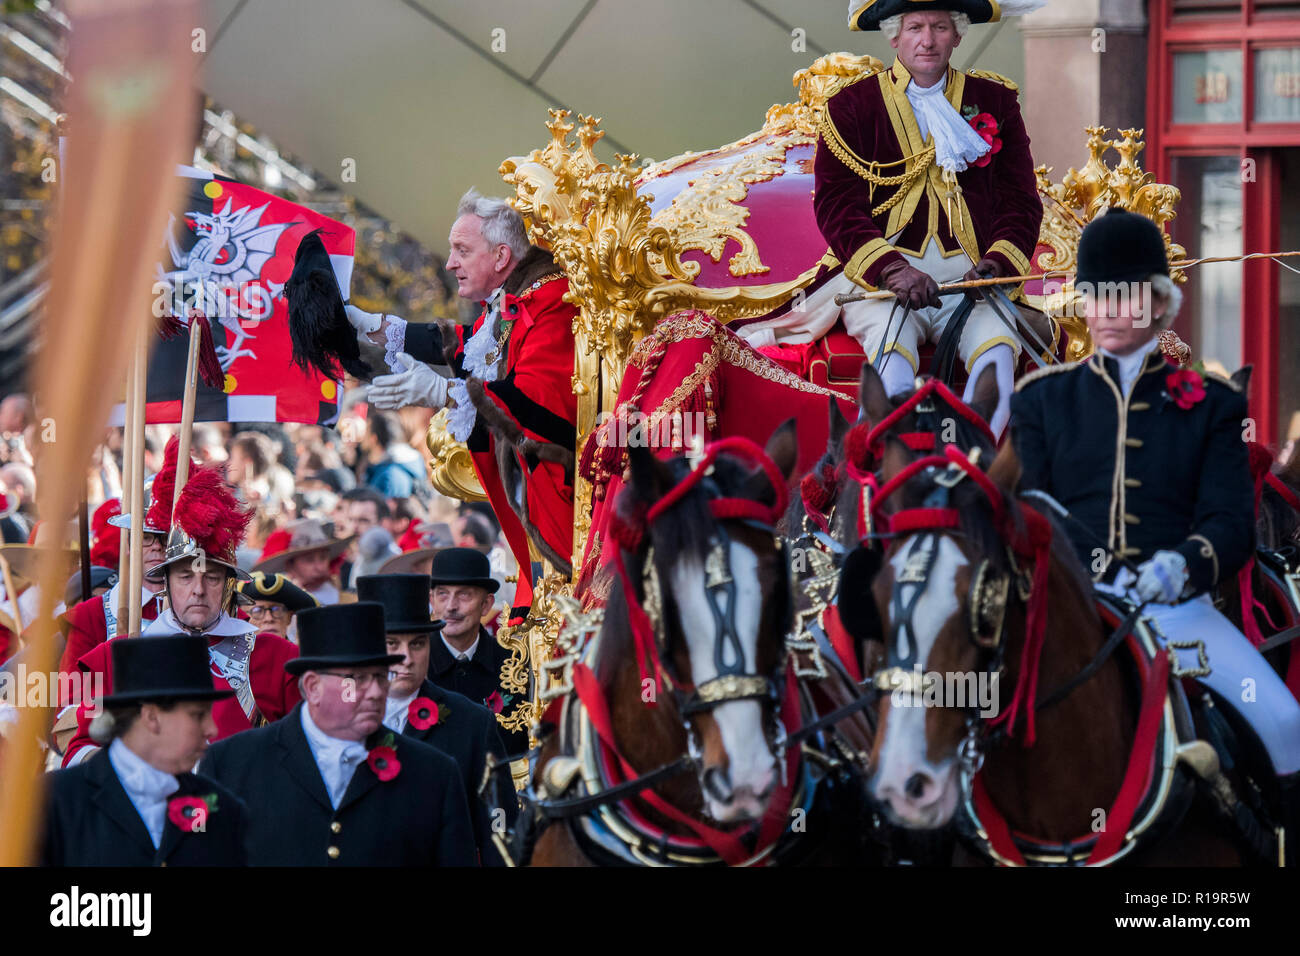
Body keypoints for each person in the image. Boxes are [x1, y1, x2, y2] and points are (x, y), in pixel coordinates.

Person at [1010, 206, 1300, 861]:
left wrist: (1181, 566)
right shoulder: (1040, 401)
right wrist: (1099, 566)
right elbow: (1032, 504)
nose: (1112, 310)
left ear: (1160, 303)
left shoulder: (1214, 405)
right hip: (1071, 609)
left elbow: (1230, 524)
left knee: (1285, 722)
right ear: (1082, 304)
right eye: (1099, 295)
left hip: (1180, 611)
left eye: (1129, 295)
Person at [745, 1, 1045, 436]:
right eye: (916, 27)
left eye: (940, 27)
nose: (928, 40)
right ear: (894, 36)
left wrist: (996, 266)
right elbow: (837, 207)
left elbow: (1020, 201)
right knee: (893, 371)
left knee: (998, 362)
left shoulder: (997, 101)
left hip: (971, 287)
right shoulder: (850, 107)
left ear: (958, 35)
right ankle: (887, 474)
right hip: (880, 288)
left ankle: (972, 467)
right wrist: (893, 271)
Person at [351, 189, 578, 615]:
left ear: (500, 256)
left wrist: (443, 392)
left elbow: (538, 402)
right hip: (533, 500)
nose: (449, 263)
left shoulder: (549, 300)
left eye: (461, 250)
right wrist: (379, 327)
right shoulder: (515, 300)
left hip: (561, 503)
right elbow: (464, 345)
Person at [63, 449, 301, 766]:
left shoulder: (276, 656)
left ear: (230, 583)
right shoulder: (114, 657)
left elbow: (310, 747)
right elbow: (76, 748)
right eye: (186, 577)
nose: (198, 590)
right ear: (165, 582)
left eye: (212, 578)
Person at [199, 602, 477, 866]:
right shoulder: (231, 764)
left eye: (381, 676)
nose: (376, 692)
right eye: (356, 679)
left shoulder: (434, 773)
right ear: (312, 686)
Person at [40, 634, 249, 866]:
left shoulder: (222, 809)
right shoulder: (51, 802)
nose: (211, 729)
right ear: (151, 717)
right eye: (197, 715)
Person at [358, 573, 515, 865]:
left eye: (417, 644)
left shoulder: (472, 723)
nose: (406, 657)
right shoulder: (339, 721)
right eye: (392, 643)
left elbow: (499, 820)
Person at [426, 548, 528, 755]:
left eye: (464, 595)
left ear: (486, 605)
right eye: (443, 594)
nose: (451, 607)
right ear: (431, 601)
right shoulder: (415, 663)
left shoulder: (514, 664)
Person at [253, 518, 353, 606]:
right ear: (290, 565)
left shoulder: (350, 601)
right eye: (309, 560)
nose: (319, 567)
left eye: (323, 558)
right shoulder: (278, 607)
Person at [236, 570, 319, 643]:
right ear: (241, 618)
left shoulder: (303, 658)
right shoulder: (228, 659)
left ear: (289, 617)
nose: (269, 619)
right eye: (257, 611)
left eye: (276, 610)